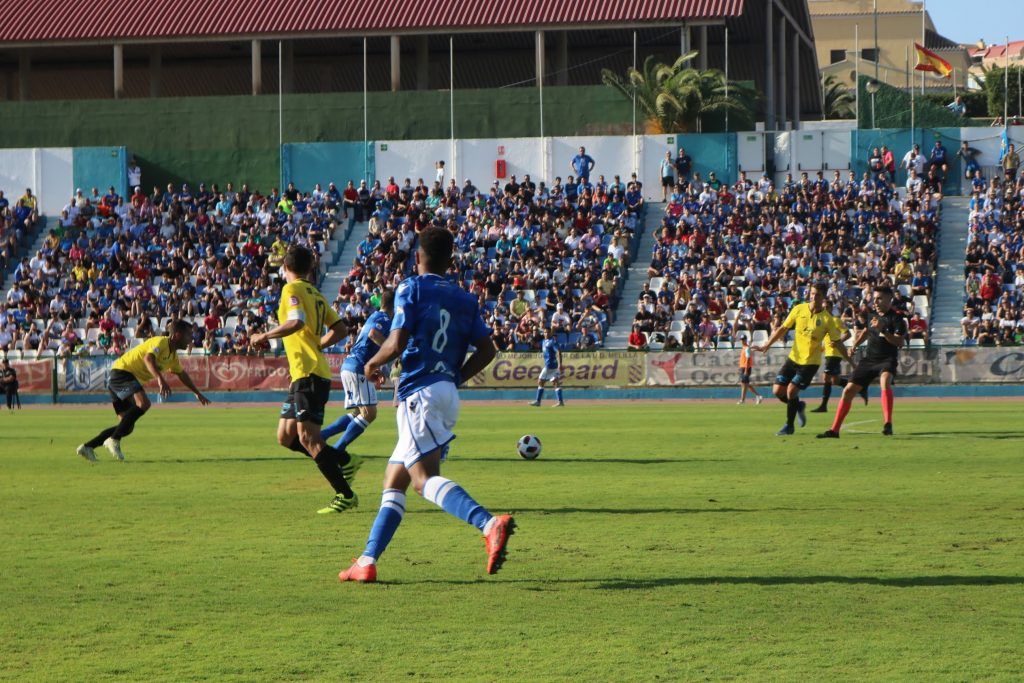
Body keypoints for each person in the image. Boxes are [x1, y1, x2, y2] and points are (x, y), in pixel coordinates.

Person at [338, 227, 514, 583]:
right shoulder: (466, 299)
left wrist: (373, 364)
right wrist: (452, 377)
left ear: (417, 257)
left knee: (422, 480)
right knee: (395, 479)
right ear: (451, 261)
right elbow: (487, 350)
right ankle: (367, 561)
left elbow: (397, 339)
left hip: (420, 392)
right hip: (444, 391)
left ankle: (488, 523)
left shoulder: (411, 287)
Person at [250, 247, 358, 514]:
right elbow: (341, 329)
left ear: (285, 267)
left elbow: (296, 322)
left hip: (309, 373)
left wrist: (264, 336)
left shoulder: (291, 291)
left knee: (308, 437)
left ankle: (345, 494)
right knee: (286, 437)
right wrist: (318, 344)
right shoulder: (316, 294)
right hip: (303, 372)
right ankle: (343, 459)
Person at [76, 320, 211, 462]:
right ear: (177, 335)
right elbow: (148, 358)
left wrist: (197, 392)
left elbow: (182, 374)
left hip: (121, 378)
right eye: (188, 336)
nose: (191, 340)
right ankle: (113, 439)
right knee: (144, 404)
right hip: (122, 372)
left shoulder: (173, 357)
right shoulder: (161, 342)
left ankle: (87, 447)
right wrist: (159, 378)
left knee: (126, 426)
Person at [754, 283, 850, 436]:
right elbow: (783, 328)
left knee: (791, 390)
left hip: (810, 362)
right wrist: (767, 344)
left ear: (823, 297)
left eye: (817, 294)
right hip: (794, 358)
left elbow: (838, 342)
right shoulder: (799, 309)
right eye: (812, 293)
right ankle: (798, 406)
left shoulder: (827, 319)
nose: (813, 297)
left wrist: (850, 361)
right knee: (778, 391)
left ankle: (789, 426)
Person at [818, 286, 907, 438]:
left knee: (885, 381)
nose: (876, 301)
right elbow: (866, 331)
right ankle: (834, 430)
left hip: (887, 359)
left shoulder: (897, 318)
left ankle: (888, 424)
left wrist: (883, 330)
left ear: (889, 299)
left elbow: (899, 343)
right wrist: (855, 345)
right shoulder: (871, 315)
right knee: (847, 390)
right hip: (869, 360)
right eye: (875, 298)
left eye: (879, 298)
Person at [320, 290, 395, 451]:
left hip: (351, 365)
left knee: (357, 413)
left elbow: (366, 344)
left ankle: (323, 436)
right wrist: (391, 349)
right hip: (357, 367)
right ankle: (337, 449)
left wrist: (375, 368)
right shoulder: (383, 319)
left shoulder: (374, 316)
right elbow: (374, 335)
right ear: (394, 305)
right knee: (369, 413)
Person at [811, 321, 867, 413]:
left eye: (826, 307)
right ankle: (859, 388)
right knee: (835, 381)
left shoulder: (834, 320)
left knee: (826, 377)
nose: (824, 309)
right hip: (829, 354)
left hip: (835, 354)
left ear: (830, 308)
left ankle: (823, 406)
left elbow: (847, 334)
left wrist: (838, 342)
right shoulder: (823, 321)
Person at [530, 327, 565, 407]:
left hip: (549, 365)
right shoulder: (544, 341)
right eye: (545, 332)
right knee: (555, 383)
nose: (546, 334)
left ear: (551, 333)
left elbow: (559, 351)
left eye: (548, 332)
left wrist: (560, 364)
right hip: (552, 365)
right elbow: (541, 347)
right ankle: (560, 402)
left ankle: (538, 401)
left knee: (540, 381)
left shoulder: (552, 342)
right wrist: (533, 343)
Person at [736, 336, 763, 405]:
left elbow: (747, 359)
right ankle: (756, 396)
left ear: (745, 340)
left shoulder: (746, 348)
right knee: (744, 384)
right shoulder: (745, 348)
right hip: (743, 367)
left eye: (743, 339)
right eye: (741, 340)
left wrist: (745, 370)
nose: (742, 341)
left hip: (746, 368)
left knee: (745, 384)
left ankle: (744, 399)